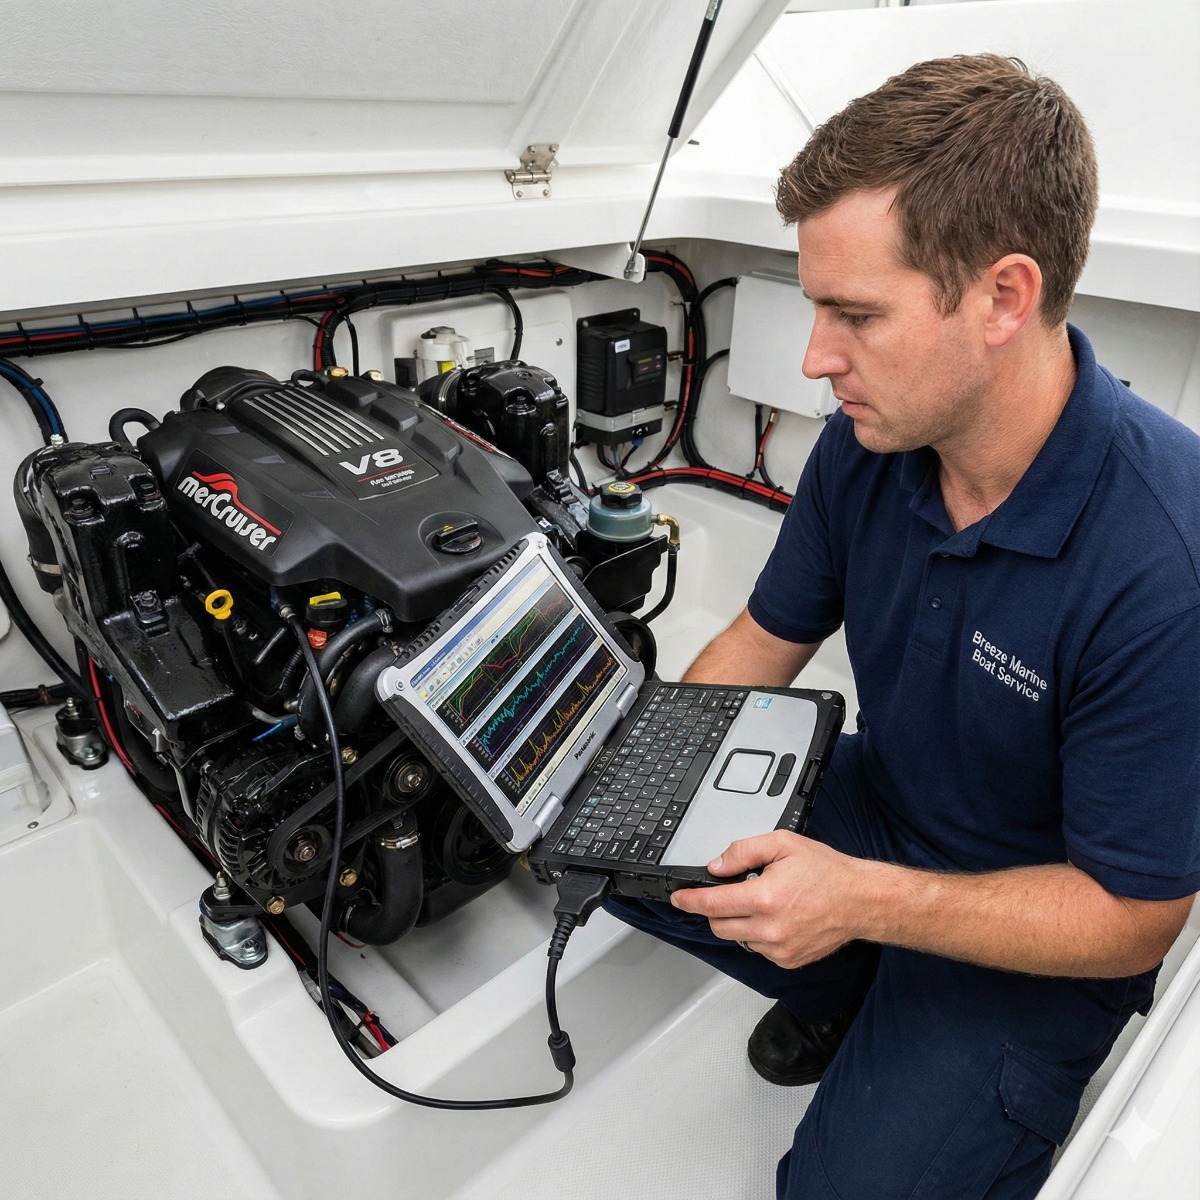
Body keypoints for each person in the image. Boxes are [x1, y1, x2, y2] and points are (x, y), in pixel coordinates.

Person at [607, 53, 1200, 1200]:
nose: (816, 358)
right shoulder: (870, 442)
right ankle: (846, 991)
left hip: (1043, 928)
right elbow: (760, 644)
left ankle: (884, 992)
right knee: (625, 843)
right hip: (890, 814)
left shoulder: (1166, 562)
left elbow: (1134, 919)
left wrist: (859, 900)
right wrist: (631, 772)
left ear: (1003, 298)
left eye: (854, 313)